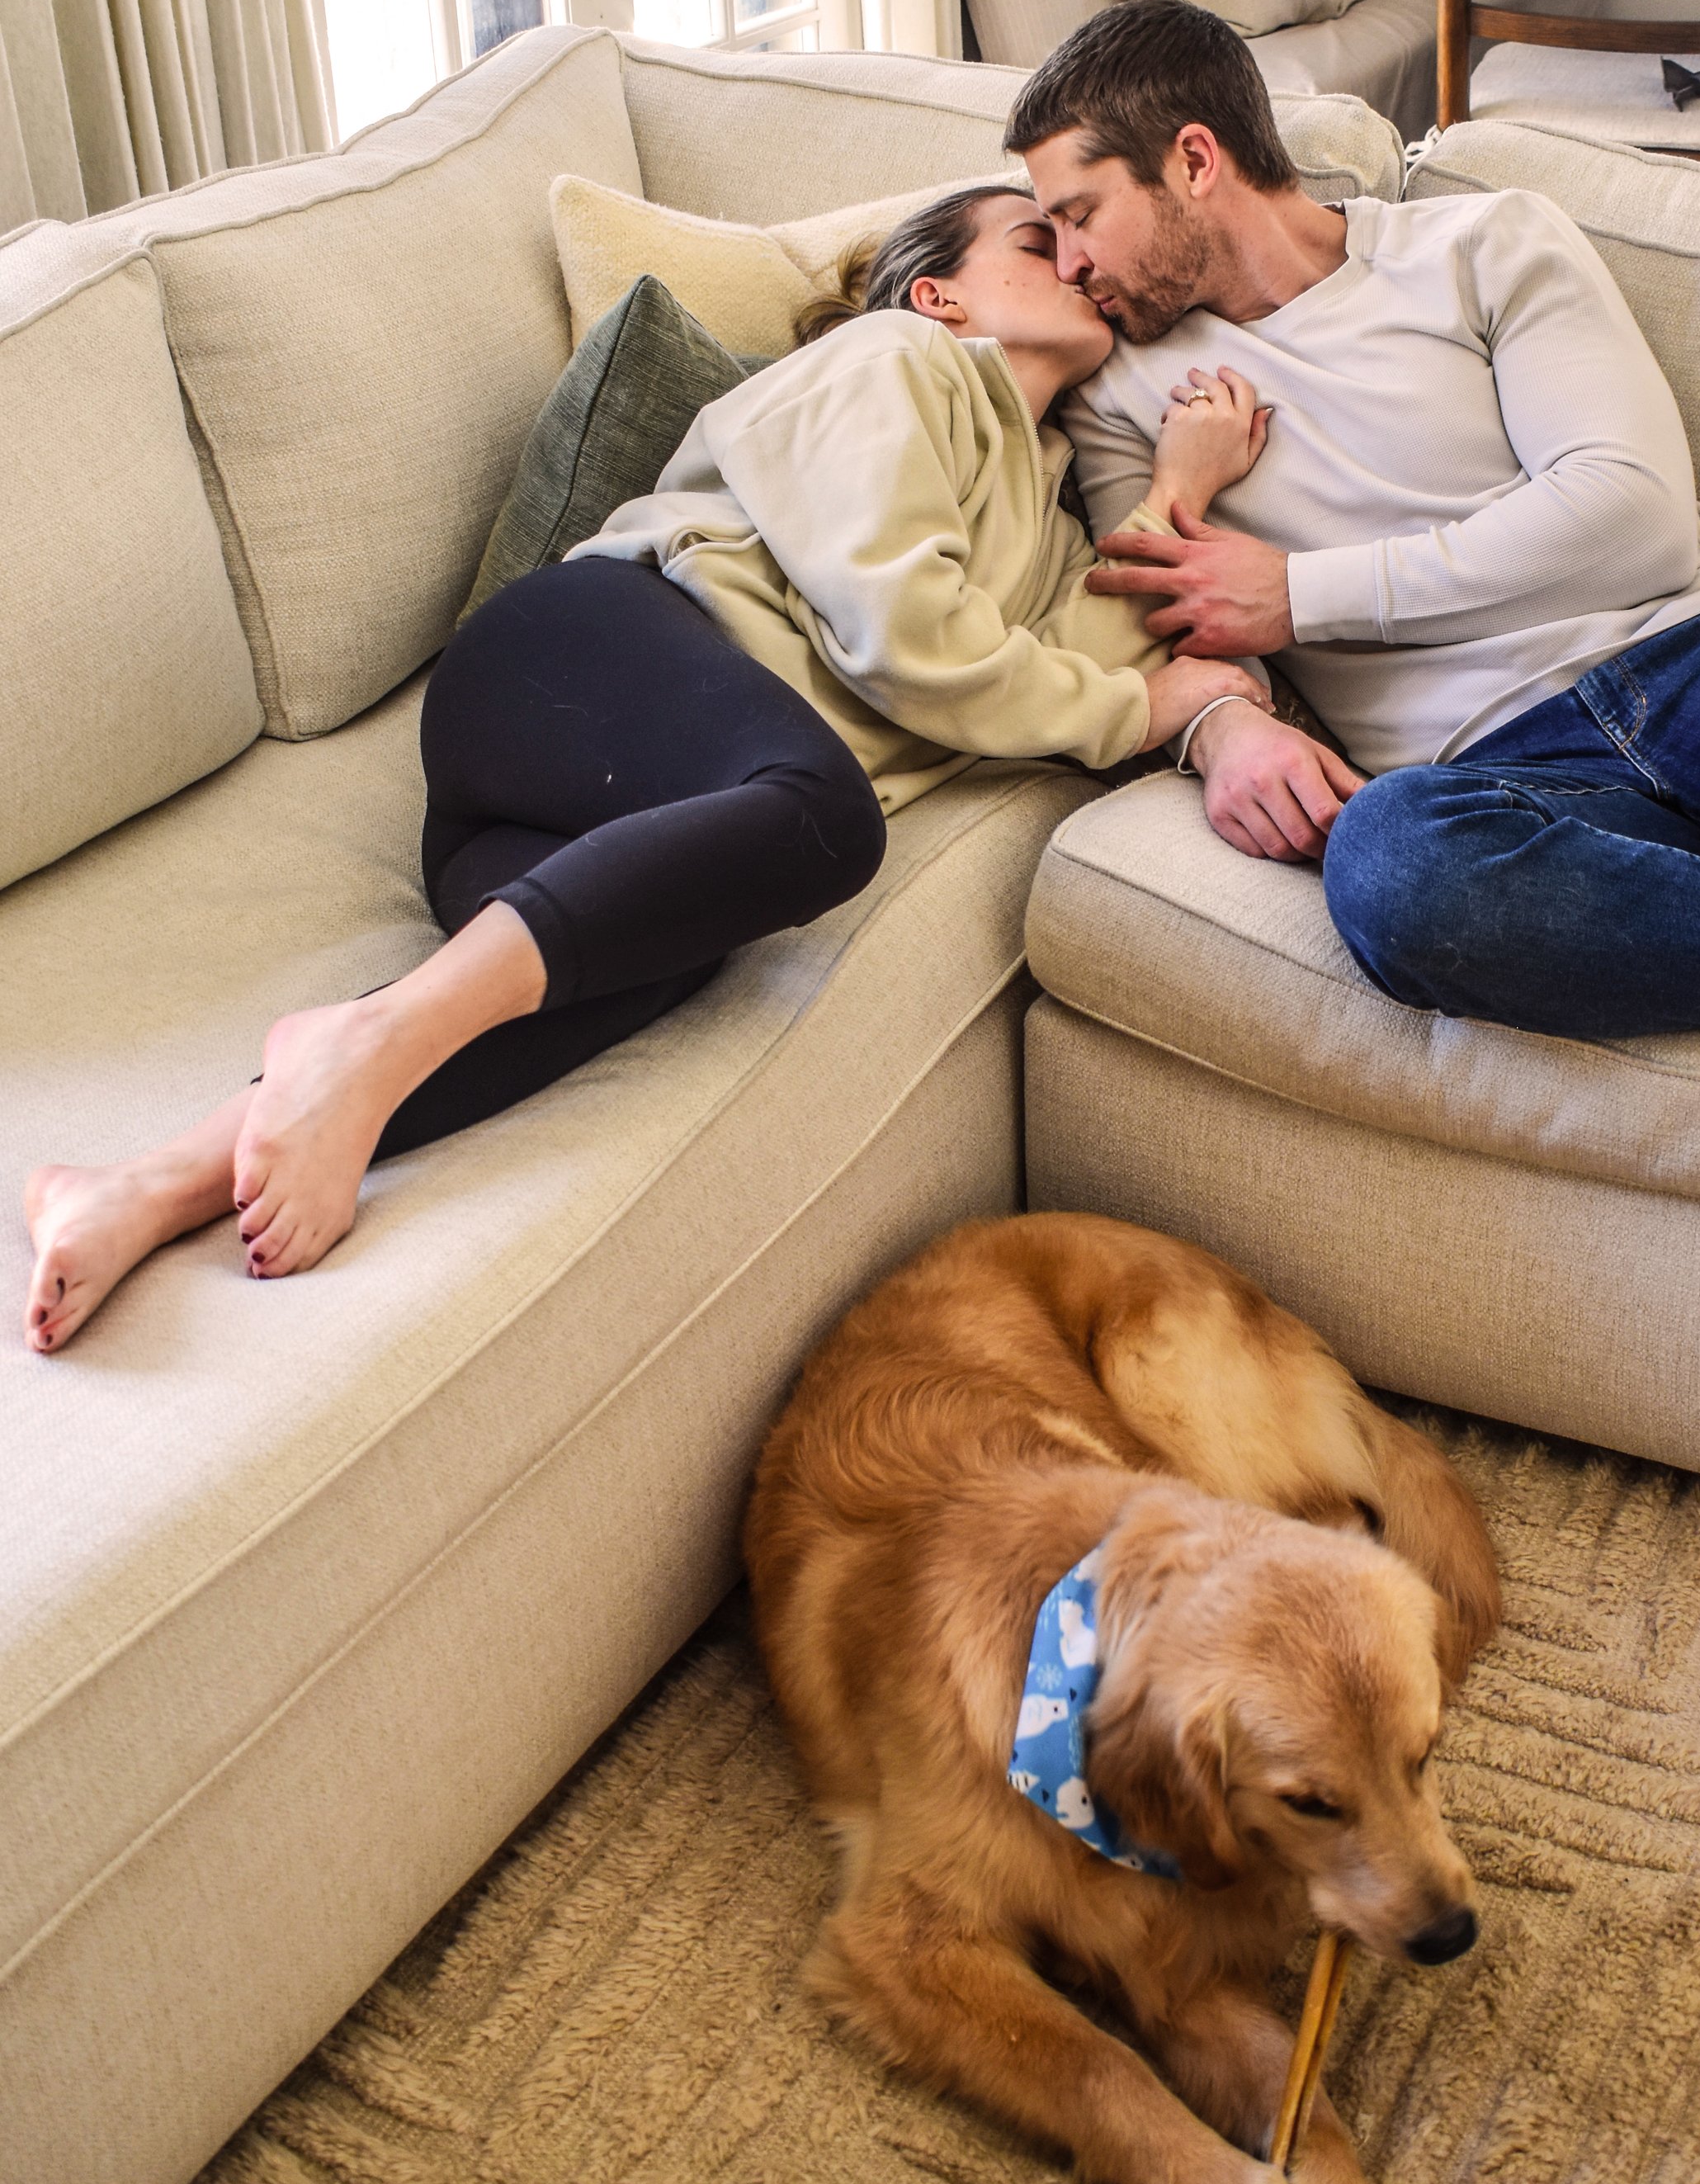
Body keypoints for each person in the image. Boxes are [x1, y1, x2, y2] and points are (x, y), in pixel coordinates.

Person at [22, 187, 1263, 1354]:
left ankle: (143, 1184)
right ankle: (365, 1038)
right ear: (939, 292)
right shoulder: (897, 364)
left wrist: (1171, 493)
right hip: (568, 666)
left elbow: (1080, 662)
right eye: (1037, 240)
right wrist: (1144, 702)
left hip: (597, 824)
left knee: (665, 951)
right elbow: (917, 640)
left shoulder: (1046, 515)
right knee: (829, 817)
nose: (1080, 260)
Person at [1004, 0, 1700, 1044]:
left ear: (1195, 160)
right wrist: (1218, 728)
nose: (1066, 265)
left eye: (1078, 214)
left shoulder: (1480, 241)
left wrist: (1300, 594)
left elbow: (1631, 511)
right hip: (1502, 777)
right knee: (1398, 869)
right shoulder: (1119, 390)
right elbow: (1147, 623)